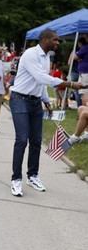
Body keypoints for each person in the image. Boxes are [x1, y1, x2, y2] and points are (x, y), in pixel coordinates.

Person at [9, 29, 86, 197]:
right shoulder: (30, 54)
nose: (58, 43)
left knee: (36, 141)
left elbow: (41, 83)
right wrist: (70, 84)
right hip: (19, 100)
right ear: (45, 40)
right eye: (55, 40)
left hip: (35, 102)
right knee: (22, 139)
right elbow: (41, 78)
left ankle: (33, 175)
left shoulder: (46, 58)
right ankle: (16, 179)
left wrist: (45, 100)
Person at [73, 35, 88, 106]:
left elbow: (75, 57)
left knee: (84, 93)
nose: (85, 37)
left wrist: (76, 51)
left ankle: (85, 113)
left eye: (86, 36)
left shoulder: (85, 47)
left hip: (85, 73)